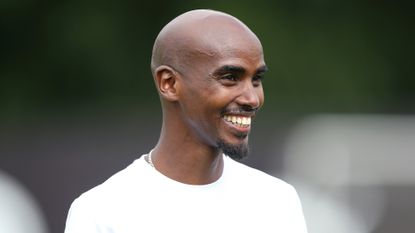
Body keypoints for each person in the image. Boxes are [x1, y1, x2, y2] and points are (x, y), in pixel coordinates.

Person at [64, 9, 308, 233]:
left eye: (256, 79)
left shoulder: (277, 202)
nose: (252, 98)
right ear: (169, 83)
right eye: (230, 78)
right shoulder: (100, 213)